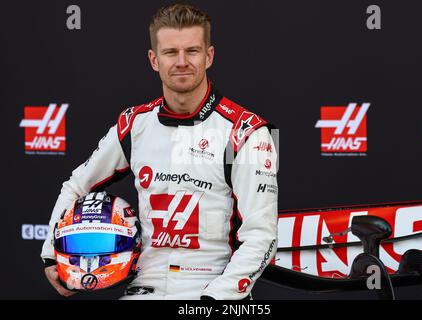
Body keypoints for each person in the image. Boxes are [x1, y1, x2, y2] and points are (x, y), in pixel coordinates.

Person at [41, 3, 278, 300]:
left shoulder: (247, 131)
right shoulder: (133, 124)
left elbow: (262, 236)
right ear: (154, 60)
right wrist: (52, 254)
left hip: (212, 287)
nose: (181, 62)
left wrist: (215, 299)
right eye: (170, 52)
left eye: (192, 51)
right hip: (144, 285)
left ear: (209, 56)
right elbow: (75, 186)